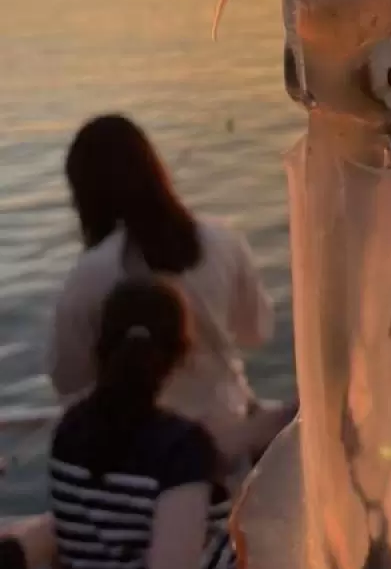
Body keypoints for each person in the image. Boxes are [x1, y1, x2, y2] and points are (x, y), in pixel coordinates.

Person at [48, 276, 311, 569]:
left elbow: (208, 447)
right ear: (182, 354)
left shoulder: (71, 434)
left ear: (102, 346)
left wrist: (296, 413)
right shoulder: (176, 450)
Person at [49, 115, 283, 474]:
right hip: (229, 437)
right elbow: (256, 333)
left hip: (144, 460)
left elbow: (68, 379)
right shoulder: (223, 241)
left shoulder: (90, 273)